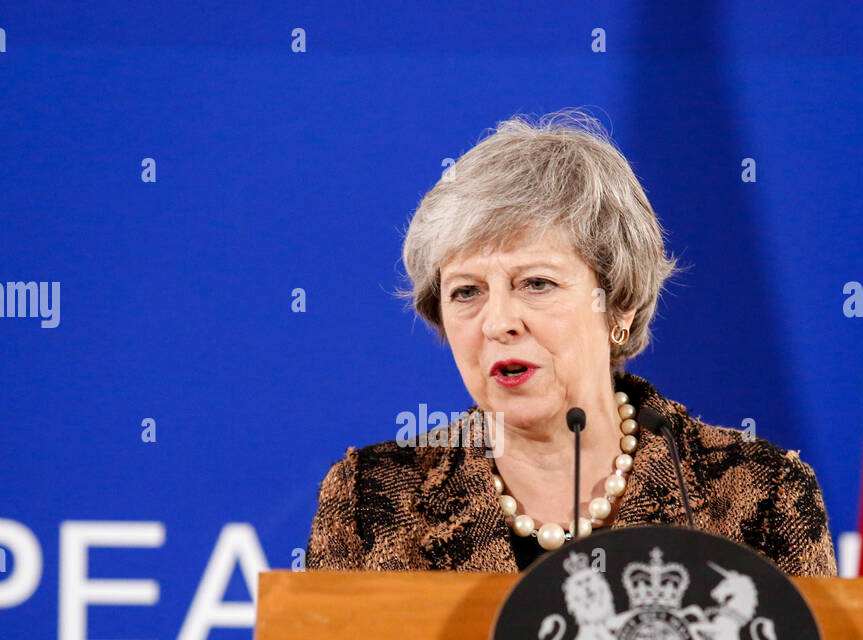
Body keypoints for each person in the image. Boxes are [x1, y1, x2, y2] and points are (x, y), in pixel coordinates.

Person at [306, 109, 836, 575]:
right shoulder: (370, 499)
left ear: (620, 305)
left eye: (536, 284)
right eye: (466, 291)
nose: (498, 323)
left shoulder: (758, 493)